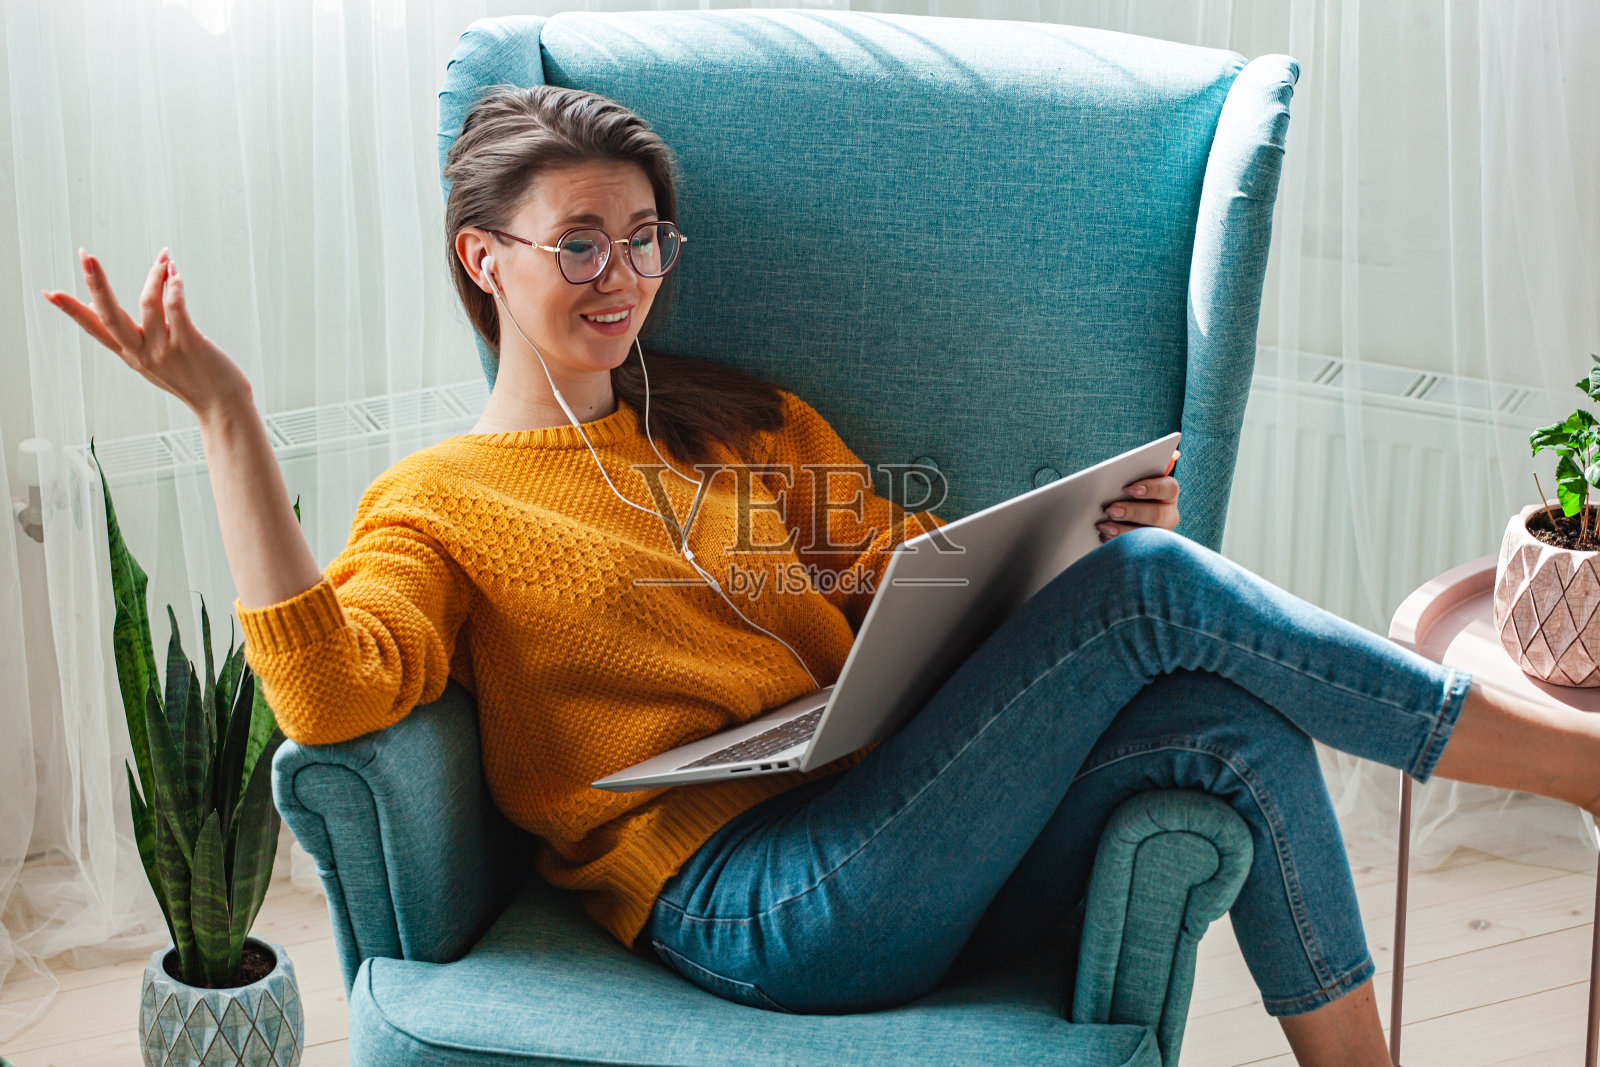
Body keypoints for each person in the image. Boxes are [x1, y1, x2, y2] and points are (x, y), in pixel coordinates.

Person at [42, 83, 1600, 1067]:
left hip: (887, 818)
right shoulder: (436, 507)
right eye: (579, 244)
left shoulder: (741, 418)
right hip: (749, 904)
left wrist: (1059, 540)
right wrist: (228, 418)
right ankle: (1579, 770)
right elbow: (325, 692)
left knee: (1215, 703)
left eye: (647, 243)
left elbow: (907, 592)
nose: (623, 280)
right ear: (485, 256)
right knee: (1165, 600)